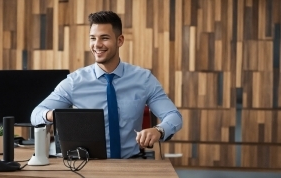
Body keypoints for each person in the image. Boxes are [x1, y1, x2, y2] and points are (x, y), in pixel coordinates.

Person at [30, 11, 182, 159]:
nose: (97, 45)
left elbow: (174, 116)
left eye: (104, 38)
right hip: (87, 165)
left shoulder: (143, 79)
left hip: (131, 163)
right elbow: (36, 114)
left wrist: (159, 130)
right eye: (92, 38)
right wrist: (55, 115)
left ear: (120, 40)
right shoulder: (74, 82)